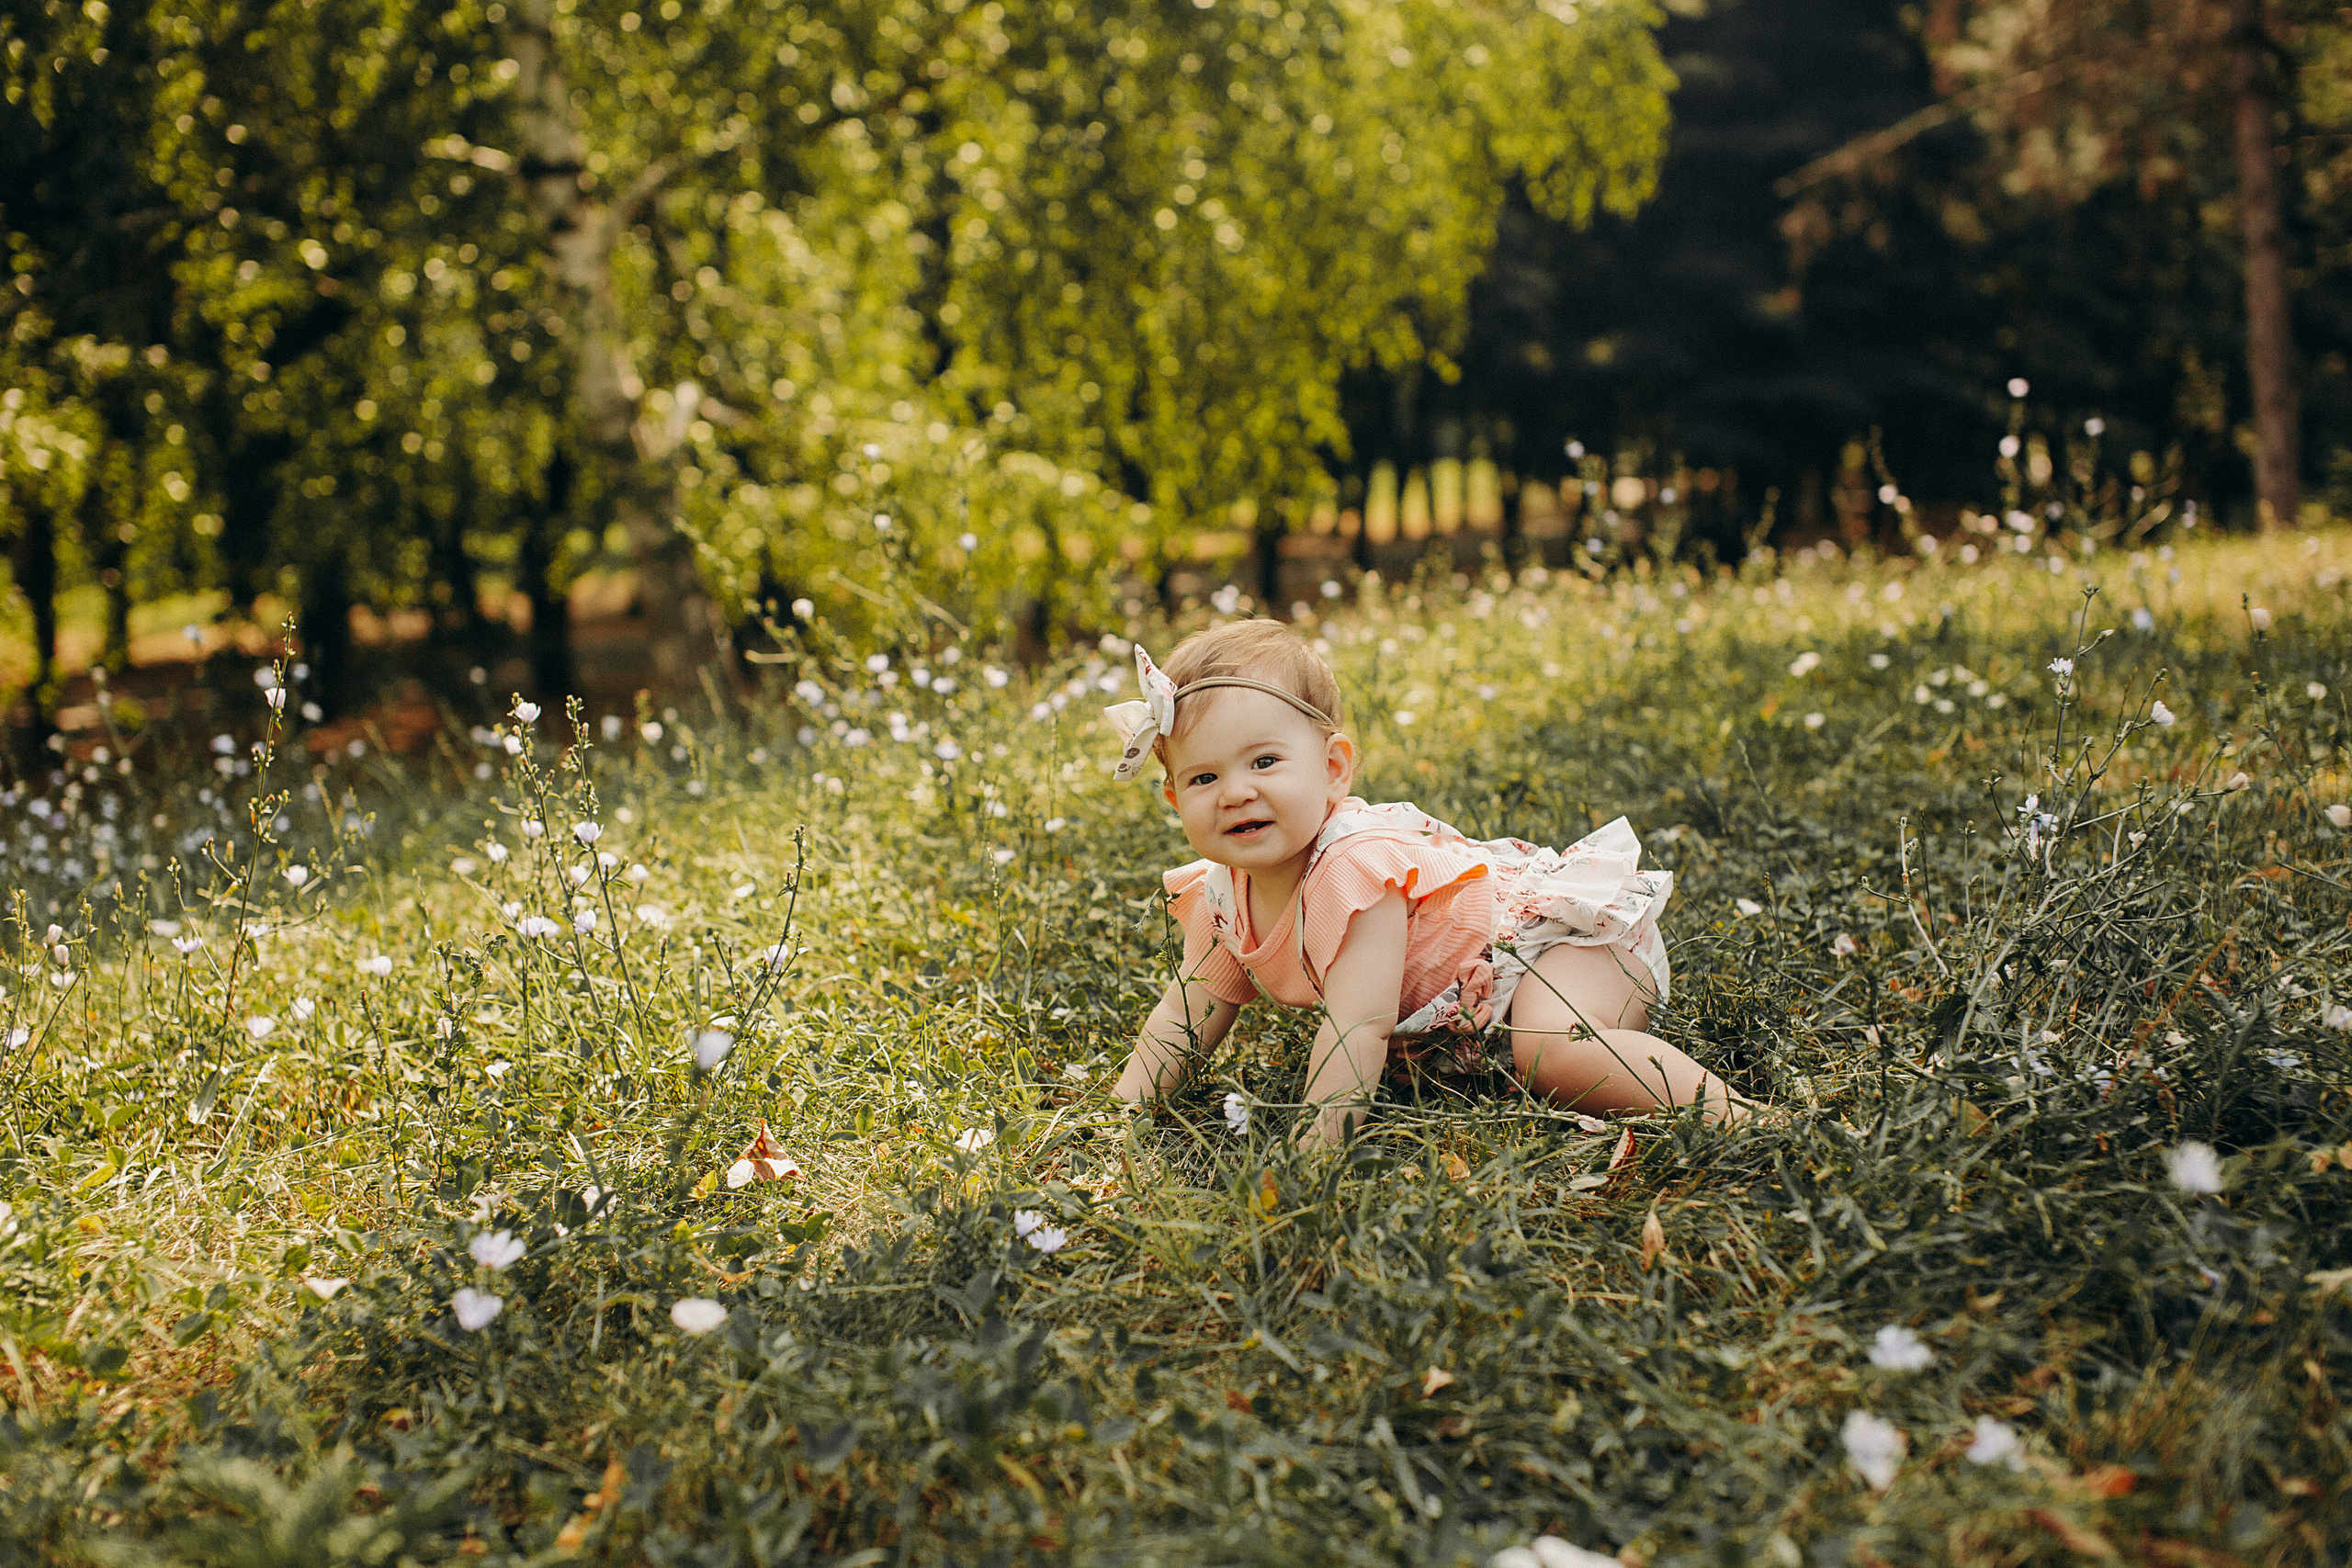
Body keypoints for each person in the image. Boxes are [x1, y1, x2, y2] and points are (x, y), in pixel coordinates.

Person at [1106, 619, 1749, 1147]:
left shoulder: (1354, 871)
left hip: (1561, 947)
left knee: (1549, 1052)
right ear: (1173, 798)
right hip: (1484, 1001)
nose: (1237, 791)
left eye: (1265, 761)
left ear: (1333, 770)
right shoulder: (1222, 896)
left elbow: (1359, 1028)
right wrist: (1115, 1121)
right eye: (1203, 778)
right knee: (1513, 1064)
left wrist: (1309, 1158)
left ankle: (1736, 1115)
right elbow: (1183, 1016)